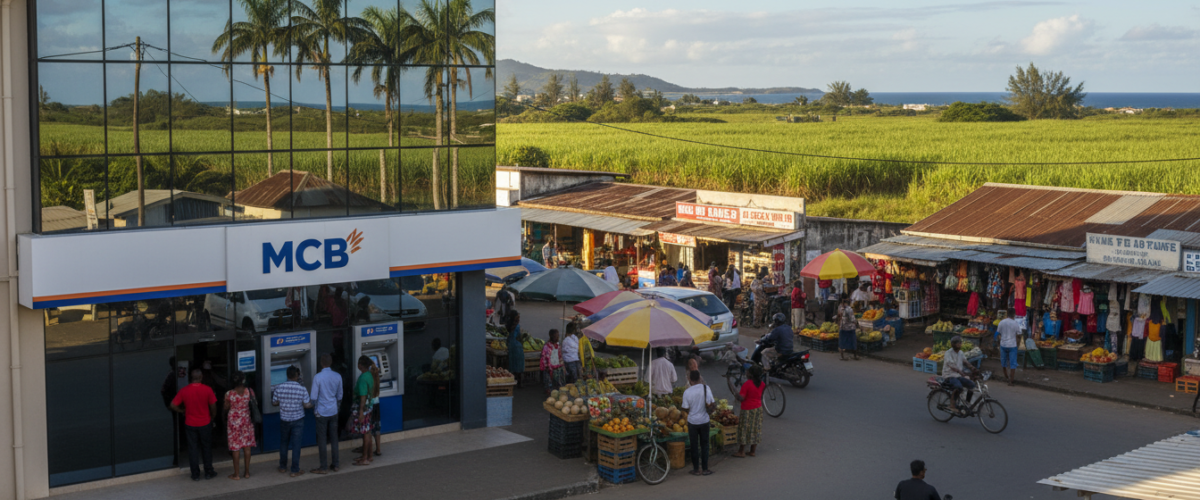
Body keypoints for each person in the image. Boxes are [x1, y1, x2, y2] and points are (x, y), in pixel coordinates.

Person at [170, 368, 218, 481]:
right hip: (205, 423)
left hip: (190, 423)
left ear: (191, 378)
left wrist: (183, 411)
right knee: (206, 448)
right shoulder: (207, 389)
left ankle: (195, 474)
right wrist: (212, 417)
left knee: (193, 449)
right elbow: (213, 406)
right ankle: (208, 472)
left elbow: (172, 405)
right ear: (201, 377)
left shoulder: (184, 390)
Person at [272, 365, 311, 477]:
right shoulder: (302, 388)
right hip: (298, 419)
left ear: (287, 375)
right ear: (297, 375)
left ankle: (283, 467)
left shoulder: (279, 387)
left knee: (284, 443)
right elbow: (307, 405)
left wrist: (283, 402)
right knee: (296, 445)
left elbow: (274, 402)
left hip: (284, 419)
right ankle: (295, 470)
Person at [310, 354, 343, 474]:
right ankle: (336, 464)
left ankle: (323, 467)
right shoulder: (337, 376)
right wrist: (337, 408)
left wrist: (314, 408)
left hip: (321, 413)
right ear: (331, 362)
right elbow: (339, 396)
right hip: (333, 411)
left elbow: (313, 397)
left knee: (322, 440)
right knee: (334, 439)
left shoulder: (318, 377)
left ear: (321, 363)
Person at [680, 370, 715, 476]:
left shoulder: (687, 392)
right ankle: (705, 469)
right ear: (699, 378)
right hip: (704, 420)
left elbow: (685, 408)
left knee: (694, 445)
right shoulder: (706, 388)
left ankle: (696, 469)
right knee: (705, 445)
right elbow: (711, 402)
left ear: (690, 380)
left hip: (692, 422)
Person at [223, 372, 256, 480]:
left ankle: (236, 474)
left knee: (235, 448)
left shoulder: (229, 394)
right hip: (246, 420)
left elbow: (225, 408)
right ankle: (247, 473)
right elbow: (255, 404)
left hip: (233, 422)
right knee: (247, 447)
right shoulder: (249, 391)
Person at [352, 356, 381, 466]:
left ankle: (364, 458)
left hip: (364, 408)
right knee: (368, 432)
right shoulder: (370, 375)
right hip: (369, 407)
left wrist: (360, 412)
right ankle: (369, 456)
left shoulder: (363, 378)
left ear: (360, 365)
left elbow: (363, 396)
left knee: (365, 433)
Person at [731, 365, 764, 458]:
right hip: (758, 409)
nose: (746, 373)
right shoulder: (762, 383)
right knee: (755, 429)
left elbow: (741, 398)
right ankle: (752, 451)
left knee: (744, 429)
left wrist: (735, 391)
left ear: (751, 374)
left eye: (748, 372)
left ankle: (741, 451)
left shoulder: (747, 384)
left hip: (747, 409)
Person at [942, 336, 977, 412]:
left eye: (960, 343)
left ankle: (967, 403)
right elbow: (951, 365)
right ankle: (952, 405)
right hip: (949, 375)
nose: (960, 344)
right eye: (958, 343)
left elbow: (965, 361)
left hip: (958, 376)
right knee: (958, 387)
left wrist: (972, 368)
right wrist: (961, 372)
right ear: (953, 344)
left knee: (972, 385)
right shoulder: (948, 353)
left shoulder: (961, 353)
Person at [996, 315, 1022, 386]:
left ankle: (1006, 376)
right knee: (1012, 363)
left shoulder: (1001, 322)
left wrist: (998, 340)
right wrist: (1018, 343)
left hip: (1003, 344)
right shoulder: (1015, 323)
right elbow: (1019, 334)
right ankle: (1011, 381)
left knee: (1003, 361)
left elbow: (998, 333)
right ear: (1013, 315)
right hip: (1012, 345)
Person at [540, 329, 565, 394]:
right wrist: (547, 367)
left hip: (557, 369)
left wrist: (563, 366)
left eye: (557, 336)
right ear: (551, 336)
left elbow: (560, 357)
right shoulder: (546, 347)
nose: (556, 338)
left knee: (558, 386)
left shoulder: (558, 346)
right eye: (554, 336)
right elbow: (543, 358)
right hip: (549, 369)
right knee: (549, 387)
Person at [506, 312, 525, 387]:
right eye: (518, 318)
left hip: (510, 345)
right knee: (519, 365)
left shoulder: (509, 325)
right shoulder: (517, 326)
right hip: (517, 346)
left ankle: (512, 381)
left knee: (512, 364)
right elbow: (518, 336)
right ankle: (519, 383)